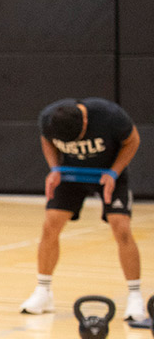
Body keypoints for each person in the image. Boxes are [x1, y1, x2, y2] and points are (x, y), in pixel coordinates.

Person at [20, 98, 146, 321]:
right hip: (70, 174)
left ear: (86, 120)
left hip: (109, 172)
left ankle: (135, 295)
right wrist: (55, 168)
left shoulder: (111, 115)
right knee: (50, 225)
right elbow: (46, 140)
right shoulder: (49, 118)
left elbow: (133, 141)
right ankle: (43, 291)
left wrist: (115, 172)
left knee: (121, 227)